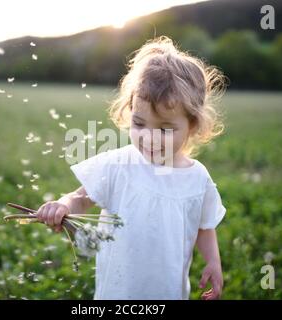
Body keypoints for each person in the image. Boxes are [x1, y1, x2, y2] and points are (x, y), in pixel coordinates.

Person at [36, 36, 227, 300]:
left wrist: (213, 262)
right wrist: (63, 205)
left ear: (192, 125)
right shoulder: (118, 164)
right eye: (139, 124)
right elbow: (81, 198)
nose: (149, 137)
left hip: (168, 292)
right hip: (118, 292)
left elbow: (204, 226)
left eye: (164, 129)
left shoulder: (197, 178)